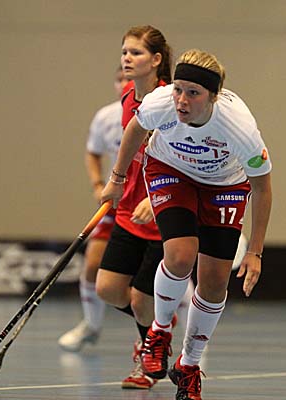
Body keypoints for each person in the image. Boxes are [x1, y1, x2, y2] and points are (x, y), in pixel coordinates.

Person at [102, 49, 273, 400]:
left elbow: (262, 187)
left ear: (213, 96)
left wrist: (255, 251)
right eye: (178, 89)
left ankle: (189, 365)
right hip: (170, 170)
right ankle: (159, 332)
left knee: (214, 283)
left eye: (193, 93)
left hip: (224, 185)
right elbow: (136, 128)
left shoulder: (238, 126)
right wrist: (117, 179)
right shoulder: (161, 102)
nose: (181, 100)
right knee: (180, 255)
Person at [95, 25, 193, 390]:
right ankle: (157, 327)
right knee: (107, 288)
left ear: (155, 60)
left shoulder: (170, 102)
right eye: (124, 51)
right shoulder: (127, 97)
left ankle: (149, 358)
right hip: (128, 211)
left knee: (140, 299)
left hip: (162, 213)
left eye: (135, 52)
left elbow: (184, 158)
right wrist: (116, 184)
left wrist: (155, 199)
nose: (126, 58)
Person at [57, 66, 128, 352]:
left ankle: (188, 340)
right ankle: (91, 325)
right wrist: (98, 183)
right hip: (116, 204)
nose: (124, 83)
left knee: (171, 269)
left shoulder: (158, 111)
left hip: (151, 204)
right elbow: (93, 151)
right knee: (92, 265)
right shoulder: (106, 116)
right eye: (119, 79)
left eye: (129, 78)